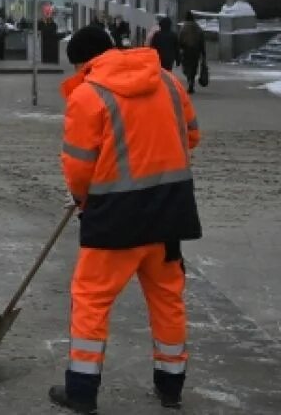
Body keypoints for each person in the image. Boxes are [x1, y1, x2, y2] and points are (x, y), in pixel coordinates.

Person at [50, 25, 201, 413]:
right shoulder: (167, 81)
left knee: (91, 300)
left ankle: (81, 392)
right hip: (169, 212)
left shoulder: (89, 94)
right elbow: (191, 135)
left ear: (84, 63)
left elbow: (79, 167)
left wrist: (84, 199)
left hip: (116, 217)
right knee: (167, 297)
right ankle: (171, 387)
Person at [177, 11, 206, 94]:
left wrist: (179, 50)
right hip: (196, 51)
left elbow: (180, 39)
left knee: (187, 67)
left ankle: (189, 80)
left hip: (186, 50)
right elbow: (202, 40)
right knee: (193, 67)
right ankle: (191, 81)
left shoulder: (184, 27)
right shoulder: (197, 27)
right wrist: (203, 53)